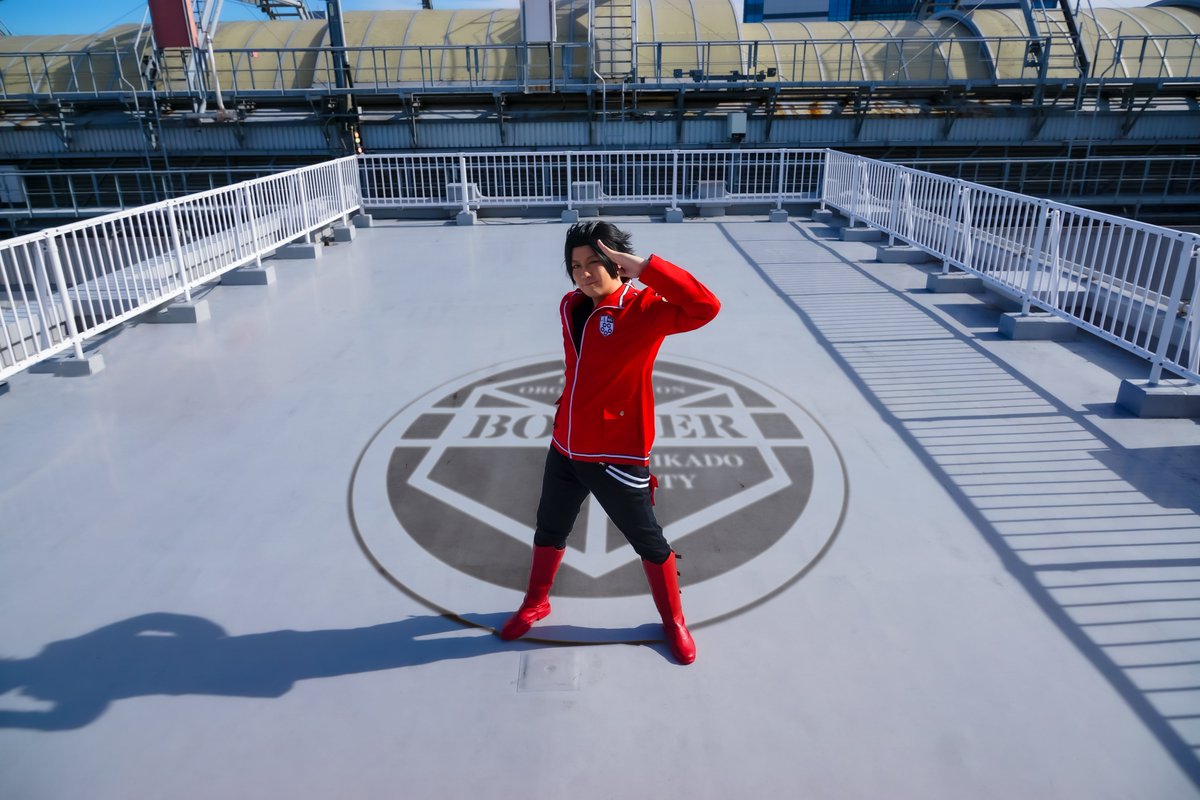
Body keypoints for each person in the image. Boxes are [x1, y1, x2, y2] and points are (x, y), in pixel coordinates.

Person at [498, 221, 720, 664]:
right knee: (549, 528)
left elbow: (704, 307)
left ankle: (673, 620)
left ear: (616, 262)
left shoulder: (645, 309)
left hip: (615, 453)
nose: (583, 274)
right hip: (565, 445)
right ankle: (536, 602)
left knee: (648, 541)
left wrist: (647, 267)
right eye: (575, 265)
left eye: (593, 263)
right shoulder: (571, 306)